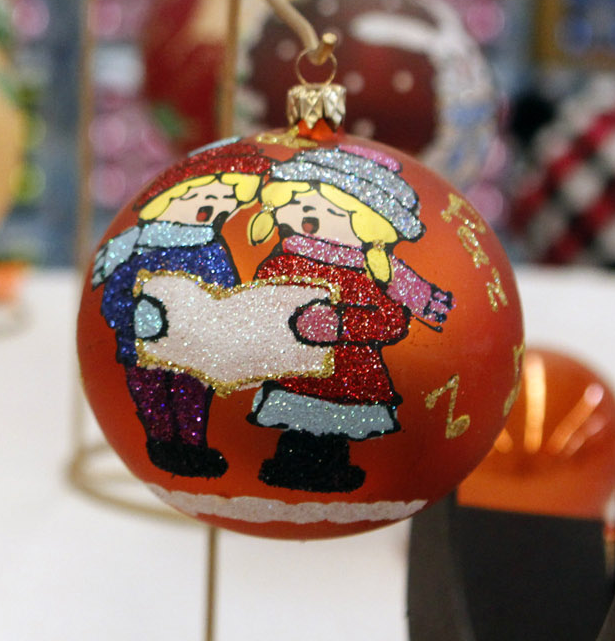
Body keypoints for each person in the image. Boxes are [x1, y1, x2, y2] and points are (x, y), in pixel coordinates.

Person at [244, 143, 452, 493]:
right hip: (296, 370)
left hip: (351, 375)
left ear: (366, 225)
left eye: (332, 212)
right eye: (303, 206)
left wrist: (341, 324)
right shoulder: (282, 263)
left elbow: (392, 321)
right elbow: (262, 304)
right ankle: (287, 470)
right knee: (296, 430)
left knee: (334, 437)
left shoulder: (367, 275)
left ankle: (333, 474)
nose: (311, 217)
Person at [90, 142, 268, 478]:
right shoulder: (139, 246)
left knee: (192, 400)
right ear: (173, 198)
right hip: (141, 348)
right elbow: (116, 291)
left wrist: (217, 326)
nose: (208, 207)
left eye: (220, 203)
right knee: (152, 396)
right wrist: (133, 321)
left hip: (195, 350)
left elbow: (226, 292)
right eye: (201, 198)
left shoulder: (212, 249)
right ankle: (161, 444)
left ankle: (191, 447)